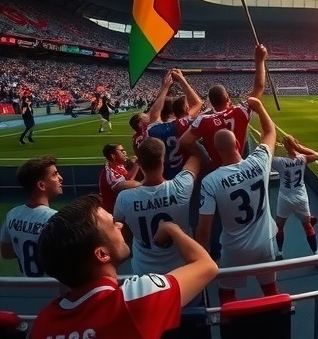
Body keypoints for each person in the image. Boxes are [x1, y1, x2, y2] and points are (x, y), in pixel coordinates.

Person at [30, 194, 218, 339]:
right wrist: (171, 228)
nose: (120, 225)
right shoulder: (135, 299)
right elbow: (206, 265)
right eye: (113, 224)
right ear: (102, 254)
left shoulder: (42, 323)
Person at [195, 97, 278, 305]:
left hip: (234, 249)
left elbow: (204, 229)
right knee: (271, 289)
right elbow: (270, 133)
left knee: (226, 295)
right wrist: (259, 107)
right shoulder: (259, 162)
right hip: (265, 243)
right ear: (238, 144)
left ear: (216, 151)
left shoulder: (210, 181)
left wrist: (200, 258)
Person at [113, 137, 200, 275]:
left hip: (144, 271)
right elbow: (195, 159)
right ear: (163, 159)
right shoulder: (181, 187)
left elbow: (120, 230)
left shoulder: (124, 198)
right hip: (180, 271)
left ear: (138, 163)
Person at [179, 44, 268, 172]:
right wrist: (260, 61)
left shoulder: (203, 120)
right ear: (227, 98)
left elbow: (184, 141)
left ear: (211, 102)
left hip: (217, 170)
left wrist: (203, 156)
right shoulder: (240, 111)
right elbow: (259, 87)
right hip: (240, 166)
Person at [0, 156, 63, 276]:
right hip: (52, 286)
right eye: (54, 174)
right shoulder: (56, 219)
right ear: (41, 185)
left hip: (26, 285)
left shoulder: (12, 214)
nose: (60, 178)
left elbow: (6, 253)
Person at [271, 135, 318, 270]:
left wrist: (273, 145)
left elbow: (267, 157)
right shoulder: (303, 159)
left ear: (285, 147)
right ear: (296, 145)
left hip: (285, 198)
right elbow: (317, 155)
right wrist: (298, 147)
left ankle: (279, 252)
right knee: (308, 227)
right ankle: (316, 256)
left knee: (279, 226)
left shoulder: (280, 162)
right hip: (301, 198)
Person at [148, 68, 203, 180]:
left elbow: (153, 115)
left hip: (165, 176)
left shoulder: (155, 129)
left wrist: (165, 87)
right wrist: (182, 79)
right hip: (186, 174)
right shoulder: (183, 123)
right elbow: (197, 103)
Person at [98, 143, 140, 214]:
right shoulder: (110, 172)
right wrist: (145, 184)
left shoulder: (117, 165)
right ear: (113, 156)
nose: (125, 152)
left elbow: (127, 177)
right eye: (121, 151)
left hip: (120, 208)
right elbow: (126, 183)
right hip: (112, 212)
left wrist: (135, 162)